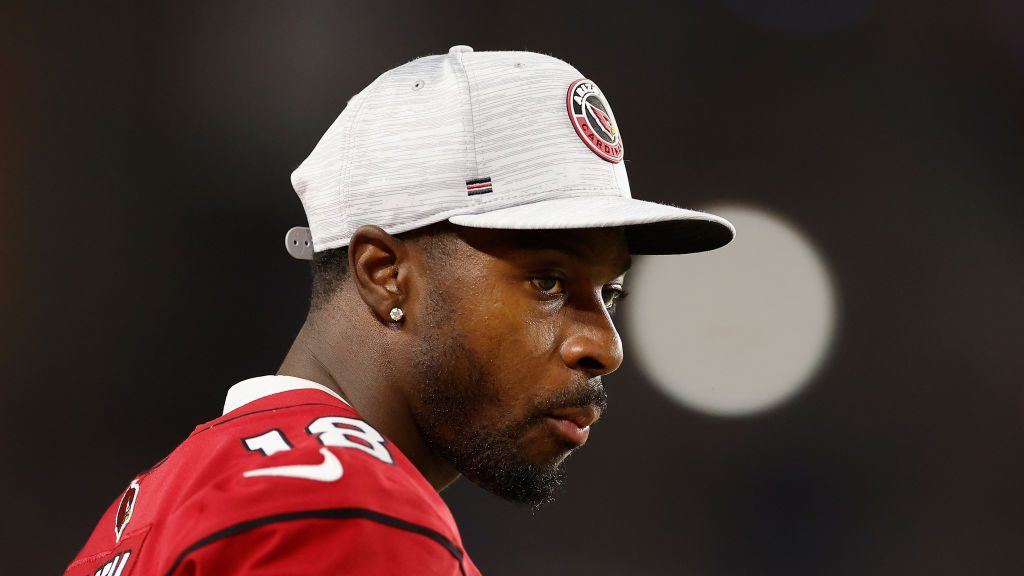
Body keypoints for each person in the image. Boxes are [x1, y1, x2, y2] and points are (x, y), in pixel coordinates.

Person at [64, 45, 734, 575]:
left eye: (610, 294)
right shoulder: (349, 506)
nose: (606, 345)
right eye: (549, 282)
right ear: (385, 275)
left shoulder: (152, 504)